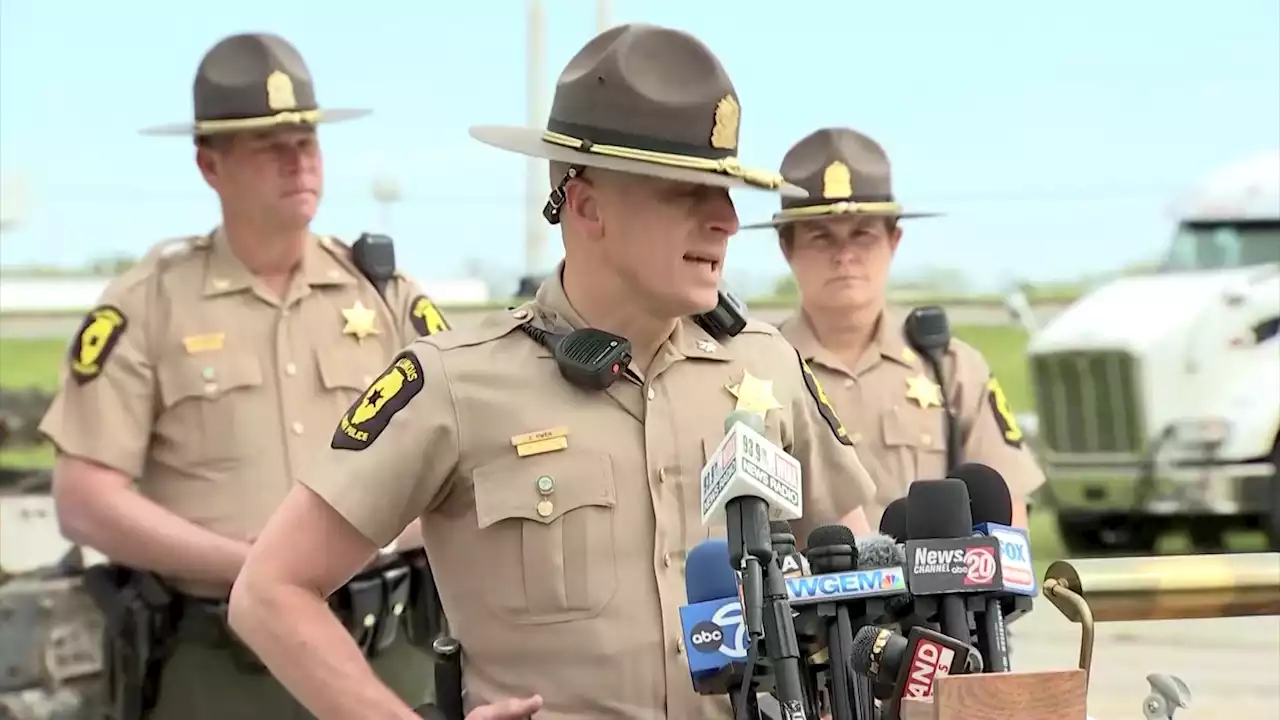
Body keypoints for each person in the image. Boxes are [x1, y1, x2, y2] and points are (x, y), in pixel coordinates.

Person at [228, 24, 880, 720]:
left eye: (724, 190)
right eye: (685, 192)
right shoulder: (453, 384)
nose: (724, 219)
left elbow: (861, 579)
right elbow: (269, 591)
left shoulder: (767, 365)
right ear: (587, 204)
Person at [38, 32, 448, 720]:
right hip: (220, 674)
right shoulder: (148, 305)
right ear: (209, 165)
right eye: (269, 147)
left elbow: (463, 463)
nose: (298, 162)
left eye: (307, 142)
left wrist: (372, 538)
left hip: (383, 659)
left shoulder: (385, 295)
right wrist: (253, 567)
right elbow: (84, 498)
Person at [742, 127, 1045, 528]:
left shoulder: (951, 368)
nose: (844, 255)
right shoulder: (756, 371)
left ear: (894, 240)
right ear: (787, 247)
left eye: (863, 234)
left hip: (939, 589)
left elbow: (1008, 515)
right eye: (821, 237)